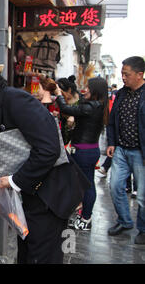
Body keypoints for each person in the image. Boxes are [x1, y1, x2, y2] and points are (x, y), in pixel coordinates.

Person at [0, 54, 89, 264]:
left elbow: (49, 149)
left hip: (49, 197)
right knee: (27, 254)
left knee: (42, 257)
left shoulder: (15, 100)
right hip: (33, 196)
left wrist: (15, 181)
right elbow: (19, 148)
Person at [55, 77, 109, 231]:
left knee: (87, 186)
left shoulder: (92, 107)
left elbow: (66, 109)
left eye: (88, 88)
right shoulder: (98, 106)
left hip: (84, 152)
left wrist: (59, 95)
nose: (85, 91)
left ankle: (86, 218)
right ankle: (83, 215)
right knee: (85, 184)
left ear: (95, 91)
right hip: (88, 150)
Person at [106, 56, 145, 245]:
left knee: (143, 196)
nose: (123, 77)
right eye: (122, 73)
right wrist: (111, 142)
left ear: (139, 74)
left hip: (140, 153)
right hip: (121, 150)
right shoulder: (121, 94)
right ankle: (124, 221)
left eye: (126, 74)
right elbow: (112, 120)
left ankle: (143, 229)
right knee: (115, 187)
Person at [56, 77, 80, 145]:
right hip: (63, 140)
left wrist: (74, 118)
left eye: (61, 94)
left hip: (75, 144)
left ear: (69, 90)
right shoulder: (62, 101)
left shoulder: (81, 103)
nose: (61, 97)